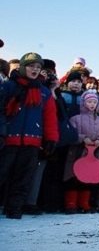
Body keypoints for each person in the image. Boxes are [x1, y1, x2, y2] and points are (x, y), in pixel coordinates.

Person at [0, 53, 59, 219]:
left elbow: (49, 117)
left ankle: (14, 208)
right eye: (31, 66)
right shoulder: (8, 86)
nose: (35, 69)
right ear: (23, 67)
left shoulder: (44, 92)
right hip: (8, 139)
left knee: (23, 178)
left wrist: (51, 139)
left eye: (38, 67)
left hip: (32, 141)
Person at [63, 91, 99, 214]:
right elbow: (71, 134)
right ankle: (71, 203)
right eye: (89, 102)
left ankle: (84, 202)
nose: (92, 104)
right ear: (84, 103)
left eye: (94, 102)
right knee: (73, 177)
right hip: (77, 153)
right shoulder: (75, 119)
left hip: (93, 154)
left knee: (88, 178)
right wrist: (83, 138)